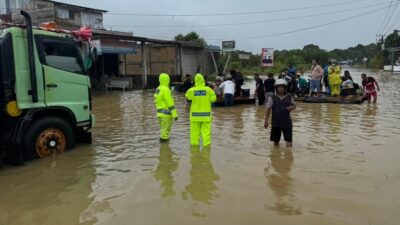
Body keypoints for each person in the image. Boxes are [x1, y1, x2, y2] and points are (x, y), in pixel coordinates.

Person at [185, 73, 217, 146]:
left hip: (194, 116)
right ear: (203, 80)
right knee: (206, 134)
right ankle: (206, 151)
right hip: (205, 116)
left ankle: (194, 151)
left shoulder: (191, 90)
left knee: (194, 134)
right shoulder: (208, 90)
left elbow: (187, 97)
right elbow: (213, 99)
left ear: (195, 81)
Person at [264, 79, 296, 148]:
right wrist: (266, 121)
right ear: (276, 88)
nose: (281, 89)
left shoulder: (289, 97)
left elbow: (294, 105)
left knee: (289, 142)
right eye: (279, 87)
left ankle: (288, 157)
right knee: (276, 142)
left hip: (287, 123)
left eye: (282, 87)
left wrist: (292, 108)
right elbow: (268, 110)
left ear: (285, 88)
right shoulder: (272, 97)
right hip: (276, 123)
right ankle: (276, 157)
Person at [154, 73, 178, 142]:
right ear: (167, 80)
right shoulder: (166, 89)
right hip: (166, 114)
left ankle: (163, 148)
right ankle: (164, 149)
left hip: (160, 114)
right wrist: (175, 114)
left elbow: (157, 101)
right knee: (165, 132)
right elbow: (170, 102)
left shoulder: (158, 88)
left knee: (163, 131)